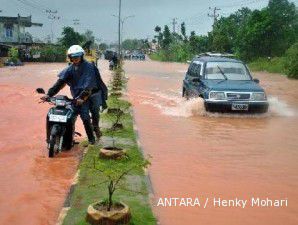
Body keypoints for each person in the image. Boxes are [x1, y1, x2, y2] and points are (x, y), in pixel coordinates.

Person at [41, 45, 98, 145]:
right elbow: (60, 83)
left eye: (77, 56)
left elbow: (89, 86)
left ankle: (91, 140)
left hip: (85, 98)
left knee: (85, 117)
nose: (75, 59)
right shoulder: (70, 69)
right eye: (73, 57)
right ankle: (68, 137)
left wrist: (82, 98)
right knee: (68, 116)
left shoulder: (89, 67)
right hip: (74, 98)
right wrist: (48, 94)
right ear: (70, 57)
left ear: (81, 56)